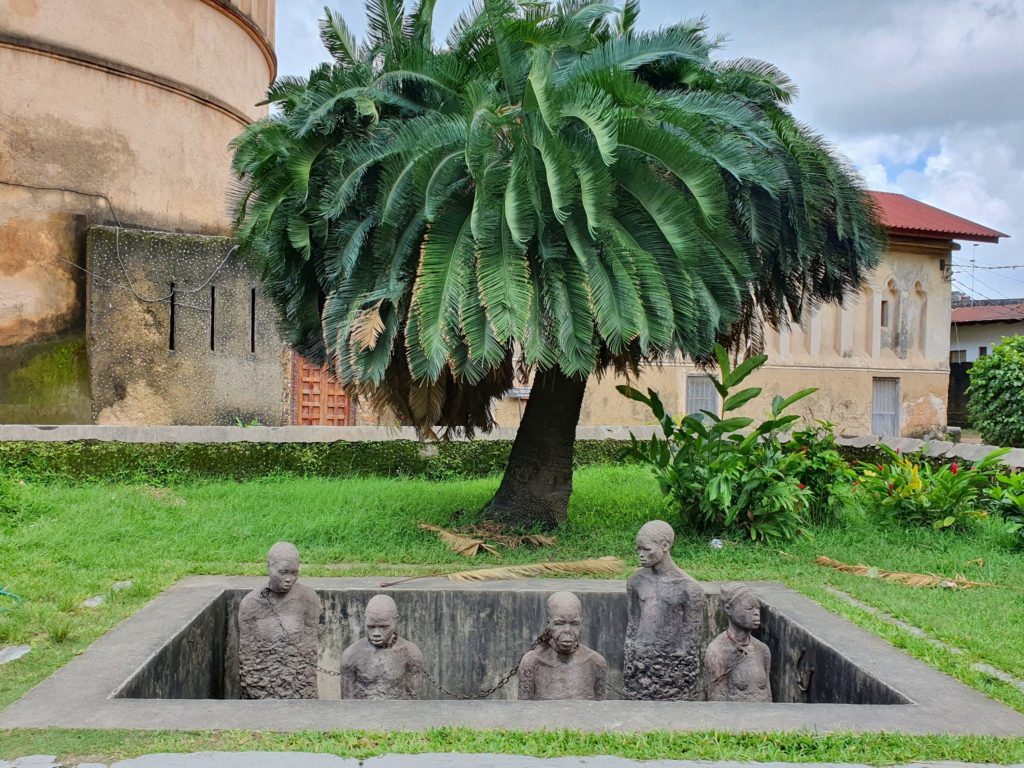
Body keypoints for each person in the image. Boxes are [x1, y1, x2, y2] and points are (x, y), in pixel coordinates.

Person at [623, 520, 705, 700]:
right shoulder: (636, 581)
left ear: (665, 546)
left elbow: (692, 638)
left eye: (647, 549)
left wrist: (678, 667)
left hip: (672, 666)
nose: (641, 555)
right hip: (639, 663)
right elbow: (632, 625)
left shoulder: (689, 588)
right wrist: (633, 656)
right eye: (638, 549)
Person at [238, 542, 321, 699]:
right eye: (282, 572)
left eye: (293, 573)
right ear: (269, 567)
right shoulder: (250, 604)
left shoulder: (308, 598)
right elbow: (247, 655)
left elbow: (310, 649)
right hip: (262, 684)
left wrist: (301, 685)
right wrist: (258, 688)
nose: (288, 579)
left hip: (299, 683)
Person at [518, 591, 606, 700]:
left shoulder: (595, 662)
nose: (567, 630)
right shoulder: (532, 662)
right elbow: (523, 710)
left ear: (581, 624)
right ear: (548, 623)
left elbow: (602, 710)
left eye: (574, 623)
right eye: (559, 623)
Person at [340, 594, 423, 699]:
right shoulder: (351, 655)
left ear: (395, 620)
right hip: (362, 713)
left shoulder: (410, 653)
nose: (376, 633)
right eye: (371, 627)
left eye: (384, 627)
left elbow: (413, 698)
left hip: (398, 712)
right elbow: (347, 700)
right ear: (365, 620)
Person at [705, 583, 772, 702]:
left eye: (757, 608)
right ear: (728, 609)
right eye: (749, 608)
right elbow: (716, 700)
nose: (756, 613)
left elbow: (768, 693)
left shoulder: (763, 650)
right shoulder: (717, 651)